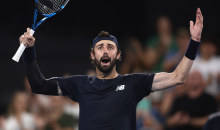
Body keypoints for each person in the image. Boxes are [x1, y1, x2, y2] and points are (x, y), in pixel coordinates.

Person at [19, 8, 203, 130]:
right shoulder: (78, 84)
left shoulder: (134, 83)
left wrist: (194, 42)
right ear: (93, 55)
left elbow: (178, 77)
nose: (105, 51)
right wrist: (29, 50)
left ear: (118, 55)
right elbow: (38, 85)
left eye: (110, 47)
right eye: (100, 48)